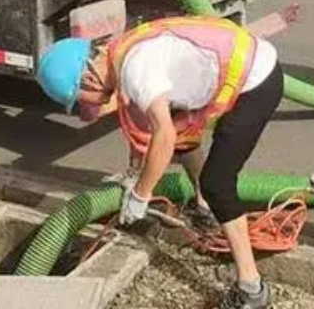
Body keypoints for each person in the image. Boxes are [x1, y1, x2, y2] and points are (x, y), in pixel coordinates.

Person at [37, 15, 283, 309]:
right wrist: (134, 175)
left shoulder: (136, 70)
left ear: (89, 75)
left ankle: (252, 289)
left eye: (82, 98)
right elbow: (147, 128)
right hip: (240, 68)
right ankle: (204, 206)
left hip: (257, 83)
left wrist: (141, 195)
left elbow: (163, 136)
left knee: (218, 183)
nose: (90, 105)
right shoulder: (123, 51)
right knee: (183, 140)